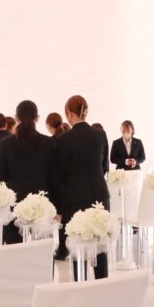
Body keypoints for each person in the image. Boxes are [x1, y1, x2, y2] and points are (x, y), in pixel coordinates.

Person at [54, 95, 110, 277]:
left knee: (78, 247)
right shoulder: (100, 135)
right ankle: (103, 283)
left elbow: (60, 174)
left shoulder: (64, 140)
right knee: (100, 245)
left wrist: (58, 206)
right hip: (99, 195)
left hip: (74, 198)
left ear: (69, 113)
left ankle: (82, 285)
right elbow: (104, 167)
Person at [0, 101, 58, 245]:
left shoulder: (5, 144)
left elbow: (0, 181)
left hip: (13, 207)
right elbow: (54, 178)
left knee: (15, 253)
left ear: (16, 118)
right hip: (42, 205)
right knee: (42, 253)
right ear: (37, 118)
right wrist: (57, 208)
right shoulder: (48, 143)